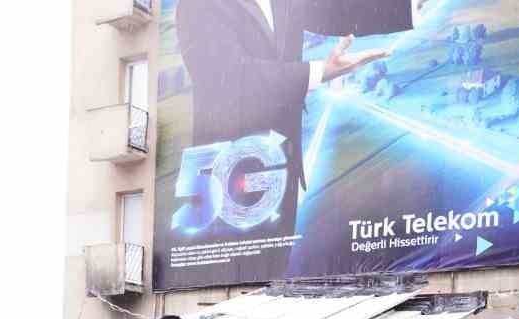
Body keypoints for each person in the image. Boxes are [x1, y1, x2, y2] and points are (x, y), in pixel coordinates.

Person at [175, 0, 430, 276]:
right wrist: (319, 71)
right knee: (229, 282)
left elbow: (337, 12)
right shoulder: (197, 4)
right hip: (226, 172)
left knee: (272, 277)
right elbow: (230, 76)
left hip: (279, 164)